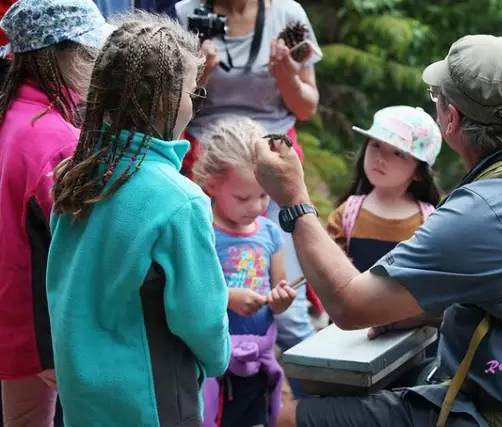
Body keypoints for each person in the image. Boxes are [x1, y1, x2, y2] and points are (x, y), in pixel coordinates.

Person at [254, 34, 502, 427]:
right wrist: (428, 312)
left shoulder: (483, 212)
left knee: (287, 417)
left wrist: (294, 200)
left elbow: (350, 306)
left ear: (450, 119)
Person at [47, 12, 230, 425]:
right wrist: (218, 359)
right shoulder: (180, 201)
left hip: (81, 395)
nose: (194, 104)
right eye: (192, 93)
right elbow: (200, 318)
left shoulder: (73, 175)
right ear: (165, 99)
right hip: (150, 396)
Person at [176, 0, 322, 396]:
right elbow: (171, 104)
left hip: (273, 158)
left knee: (286, 279)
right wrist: (200, 73)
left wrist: (286, 75)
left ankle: (309, 395)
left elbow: (307, 104)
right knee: (209, 273)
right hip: (213, 163)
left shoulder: (287, 17)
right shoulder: (188, 14)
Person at [0, 1, 111, 425]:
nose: (97, 66)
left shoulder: (14, 113)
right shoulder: (57, 140)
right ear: (58, 54)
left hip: (16, 319)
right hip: (43, 332)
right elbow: (76, 248)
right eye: (90, 54)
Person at [193, 117, 298, 427]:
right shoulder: (200, 231)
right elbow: (185, 291)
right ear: (212, 183)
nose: (255, 207)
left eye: (264, 196)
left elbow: (277, 288)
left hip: (257, 362)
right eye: (243, 198)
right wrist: (226, 297)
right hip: (212, 361)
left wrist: (280, 300)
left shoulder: (269, 232)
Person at [328, 105, 442, 272]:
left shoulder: (429, 222)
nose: (380, 158)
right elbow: (325, 269)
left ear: (418, 172)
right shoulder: (346, 214)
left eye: (398, 153)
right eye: (376, 145)